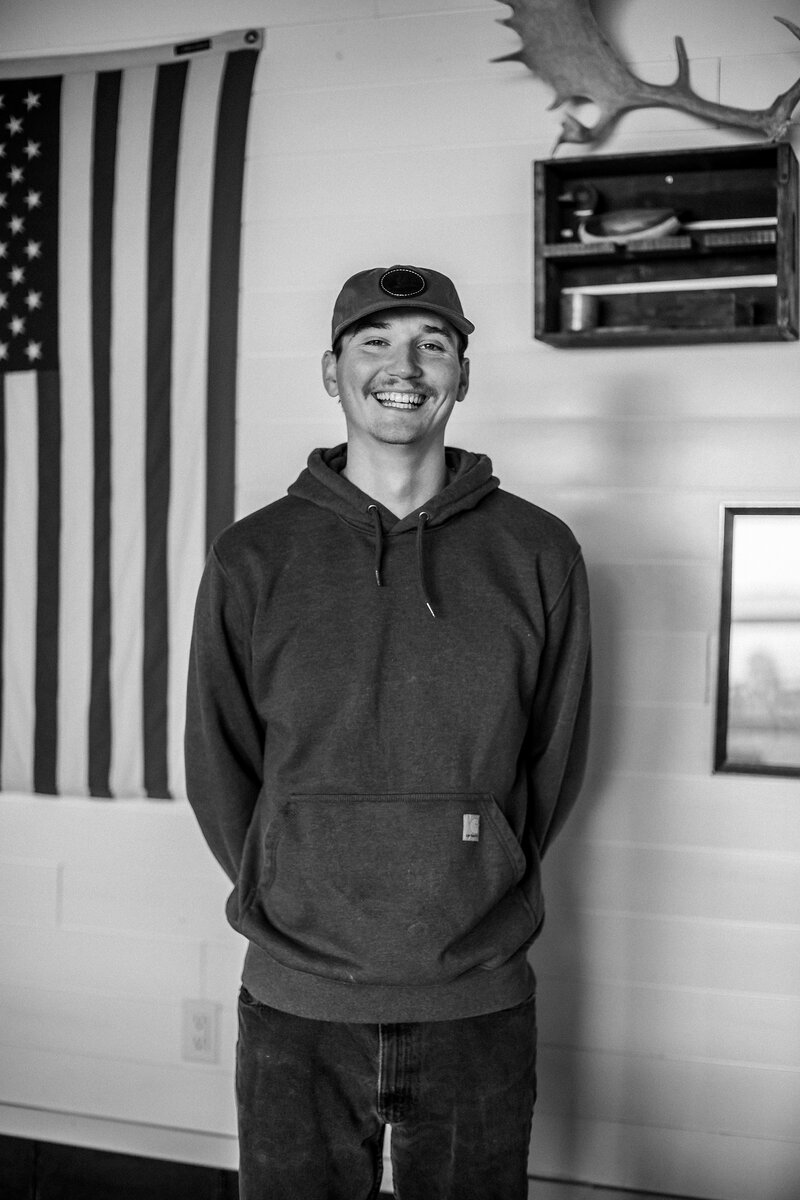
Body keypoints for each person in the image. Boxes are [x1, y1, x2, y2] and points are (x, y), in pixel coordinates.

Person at [185, 263, 592, 1200]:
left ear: (461, 375)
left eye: (431, 344)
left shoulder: (539, 553)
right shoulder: (254, 555)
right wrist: (289, 875)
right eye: (374, 341)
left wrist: (480, 868)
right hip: (297, 1001)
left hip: (477, 999)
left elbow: (555, 760)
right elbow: (219, 761)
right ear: (332, 372)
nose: (402, 366)